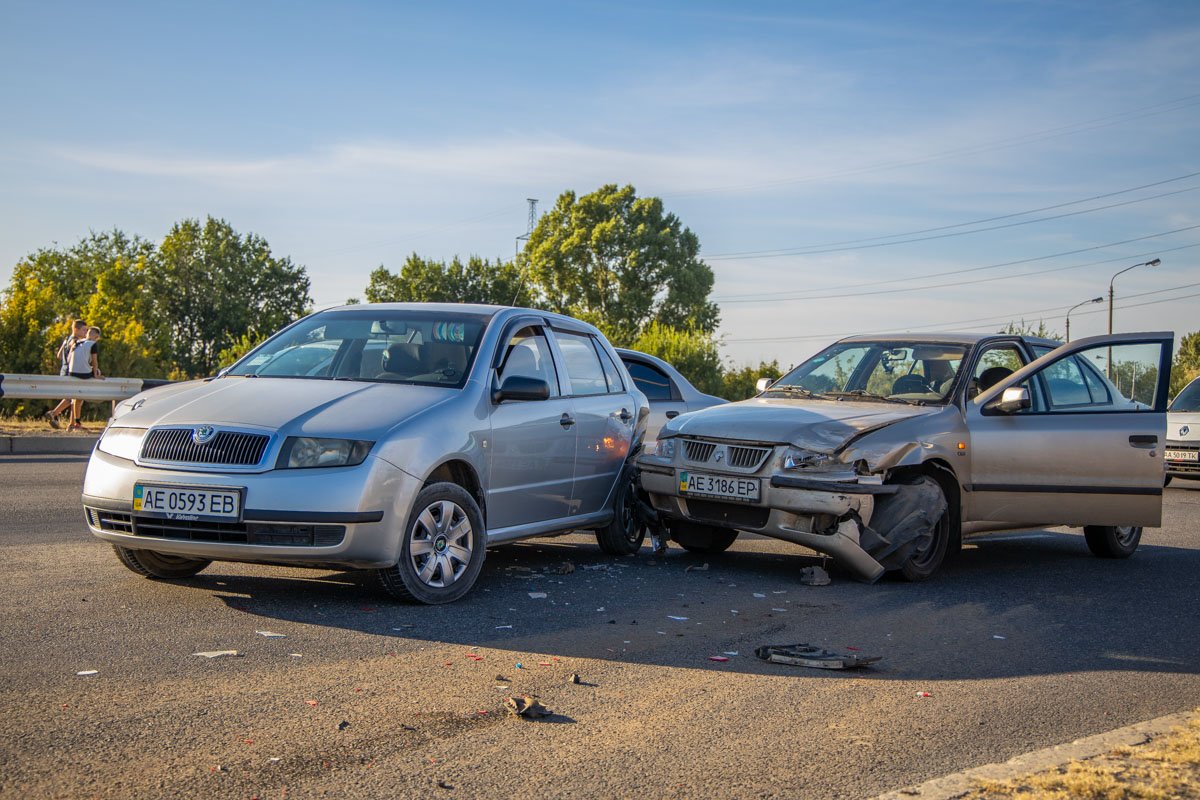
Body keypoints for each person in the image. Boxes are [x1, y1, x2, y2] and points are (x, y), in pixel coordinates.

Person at [44, 319, 87, 429]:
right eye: (83, 330)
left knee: (73, 398)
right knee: (73, 398)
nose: (85, 333)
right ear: (76, 329)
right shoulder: (76, 341)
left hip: (63, 370)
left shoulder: (66, 339)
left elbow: (59, 355)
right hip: (71, 372)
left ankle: (71, 423)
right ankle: (54, 414)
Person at [66, 326, 104, 431]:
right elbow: (94, 361)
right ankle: (76, 423)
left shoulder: (77, 342)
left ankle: (73, 423)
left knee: (76, 398)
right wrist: (96, 374)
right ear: (96, 336)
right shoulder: (93, 344)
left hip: (71, 372)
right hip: (83, 373)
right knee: (79, 399)